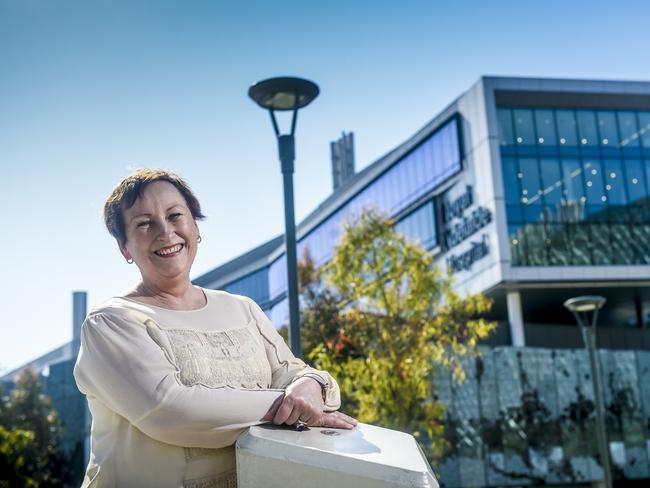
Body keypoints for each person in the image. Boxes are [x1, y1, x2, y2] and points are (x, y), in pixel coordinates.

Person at [74, 169, 356, 487]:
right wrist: (292, 405)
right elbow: (170, 410)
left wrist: (311, 385)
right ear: (124, 247)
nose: (165, 232)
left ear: (195, 227)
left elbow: (293, 374)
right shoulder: (111, 322)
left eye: (175, 215)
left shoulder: (242, 308)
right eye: (144, 223)